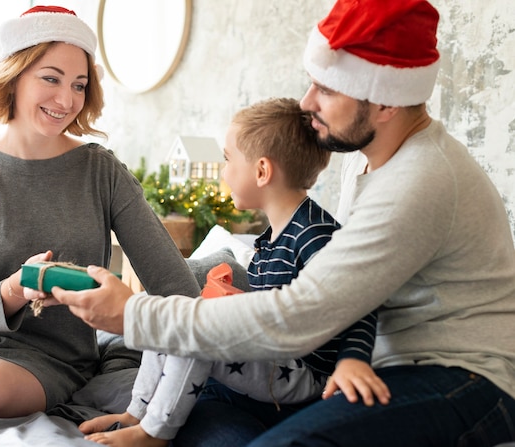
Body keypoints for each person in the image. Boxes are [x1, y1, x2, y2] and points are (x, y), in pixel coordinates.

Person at [47, 0, 515, 445]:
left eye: (327, 90)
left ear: (386, 103)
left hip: (462, 377)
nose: (307, 102)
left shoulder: (419, 181)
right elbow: (355, 290)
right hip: (381, 366)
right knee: (203, 403)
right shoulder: (369, 160)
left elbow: (300, 317)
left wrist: (132, 314)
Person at [0, 5, 201, 418]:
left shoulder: (101, 172)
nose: (66, 99)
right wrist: (17, 287)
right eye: (51, 78)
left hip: (52, 352)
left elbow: (174, 284)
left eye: (79, 84)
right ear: (14, 76)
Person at [80, 98, 388, 446]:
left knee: (196, 330)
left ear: (261, 171)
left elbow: (358, 300)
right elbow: (270, 306)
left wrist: (353, 359)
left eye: (228, 160)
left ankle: (155, 434)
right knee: (174, 312)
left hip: (304, 375)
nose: (224, 171)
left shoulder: (315, 235)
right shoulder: (271, 240)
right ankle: (137, 414)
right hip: (275, 357)